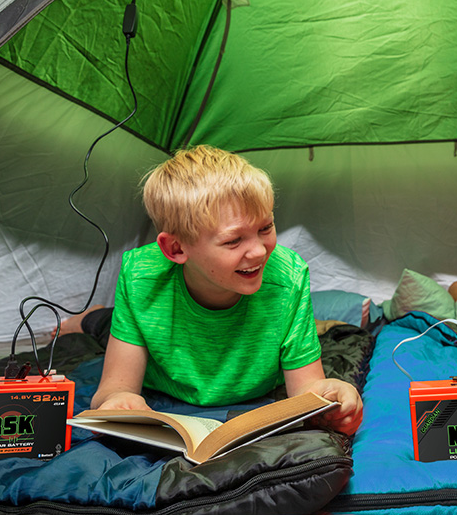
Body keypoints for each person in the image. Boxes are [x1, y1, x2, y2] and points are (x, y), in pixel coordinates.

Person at [84, 145, 363, 436]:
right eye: (233, 241)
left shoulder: (287, 276)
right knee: (101, 324)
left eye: (265, 228)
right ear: (176, 248)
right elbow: (112, 390)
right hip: (159, 352)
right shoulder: (141, 276)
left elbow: (306, 390)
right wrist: (118, 400)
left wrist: (330, 396)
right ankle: (89, 317)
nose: (258, 252)